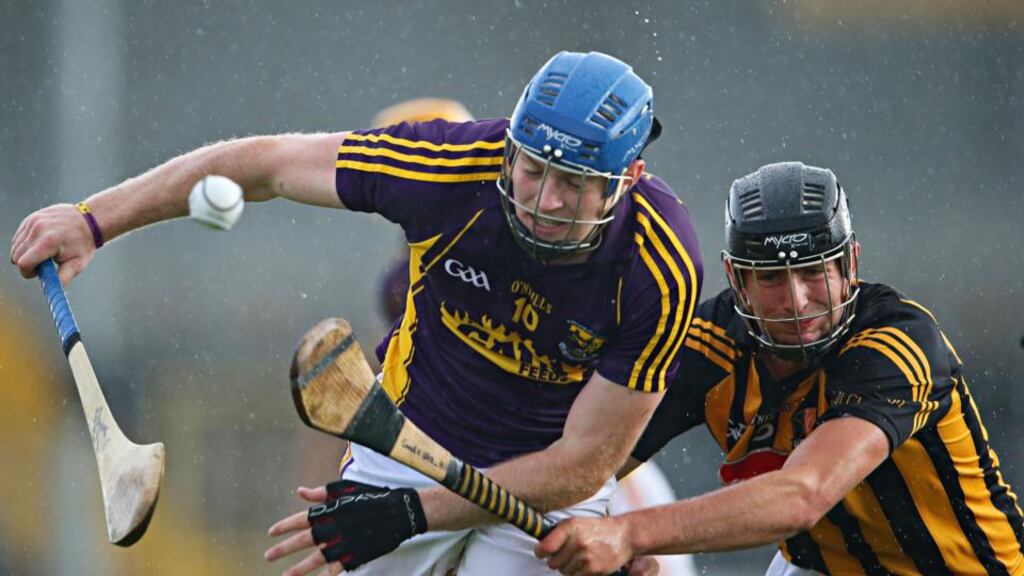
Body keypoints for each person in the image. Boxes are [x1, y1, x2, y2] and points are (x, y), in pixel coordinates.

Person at [11, 51, 703, 575]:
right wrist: (94, 220)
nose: (545, 200)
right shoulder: (449, 168)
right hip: (408, 449)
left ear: (628, 179)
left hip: (545, 485)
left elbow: (584, 463)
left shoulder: (660, 268)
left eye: (575, 183)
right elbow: (265, 165)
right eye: (531, 170)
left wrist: (413, 515)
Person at [535, 161, 1024, 575]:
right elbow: (589, 462)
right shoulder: (712, 343)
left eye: (813, 272)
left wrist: (629, 534)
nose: (796, 302)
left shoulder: (899, 344)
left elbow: (801, 495)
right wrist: (582, 530)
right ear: (737, 280)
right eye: (770, 278)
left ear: (849, 265)